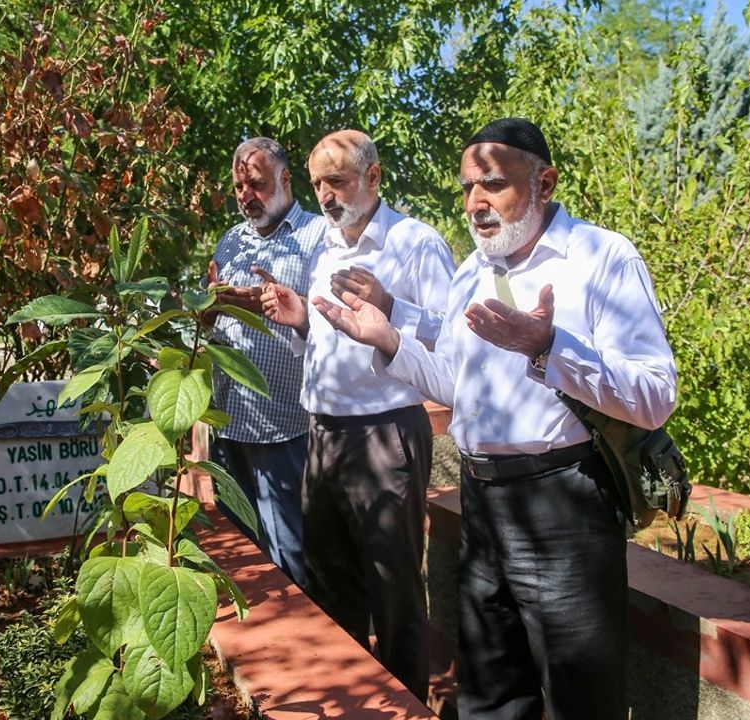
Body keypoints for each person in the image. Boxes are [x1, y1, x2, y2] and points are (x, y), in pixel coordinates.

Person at [311, 118, 677, 719]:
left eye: (493, 185)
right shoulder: (472, 273)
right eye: (466, 188)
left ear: (545, 183)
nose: (476, 204)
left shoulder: (602, 257)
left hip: (564, 506)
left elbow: (655, 393)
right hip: (484, 509)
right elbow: (457, 385)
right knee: (490, 697)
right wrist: (390, 338)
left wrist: (549, 347)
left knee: (579, 699)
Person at [259, 129, 456, 700]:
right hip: (321, 433)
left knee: (393, 595)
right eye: (318, 182)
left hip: (384, 434)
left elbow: (454, 345)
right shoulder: (323, 243)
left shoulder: (416, 244)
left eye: (338, 181)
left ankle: (407, 706)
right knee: (329, 588)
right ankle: (350, 704)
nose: (325, 195)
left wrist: (394, 307)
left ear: (373, 177)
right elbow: (328, 346)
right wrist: (300, 322)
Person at [206, 137, 327, 585]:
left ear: (284, 179)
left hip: (285, 427)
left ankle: (309, 651)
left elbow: (333, 326)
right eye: (239, 186)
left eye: (255, 184)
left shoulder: (317, 238)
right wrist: (206, 309)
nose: (244, 196)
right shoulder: (230, 241)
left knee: (291, 557)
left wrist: (277, 307)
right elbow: (212, 320)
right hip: (226, 424)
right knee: (241, 560)